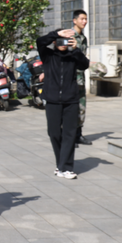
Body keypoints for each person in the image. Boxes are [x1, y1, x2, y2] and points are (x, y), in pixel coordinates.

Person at [36, 28, 90, 179]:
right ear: (54, 41)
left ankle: (66, 168)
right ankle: (61, 164)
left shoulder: (73, 56)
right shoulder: (48, 55)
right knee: (53, 133)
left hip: (71, 100)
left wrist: (76, 49)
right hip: (52, 100)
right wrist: (56, 34)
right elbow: (40, 42)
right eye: (60, 40)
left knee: (69, 134)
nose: (62, 43)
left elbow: (84, 65)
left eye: (66, 40)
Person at [71, 10, 91, 146]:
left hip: (81, 78)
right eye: (82, 19)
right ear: (75, 20)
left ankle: (78, 135)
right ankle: (69, 136)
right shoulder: (69, 36)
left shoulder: (83, 38)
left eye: (86, 19)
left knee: (81, 107)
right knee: (70, 108)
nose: (84, 21)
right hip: (71, 78)